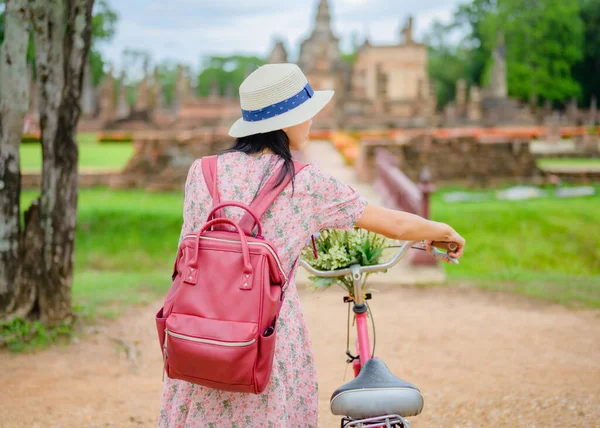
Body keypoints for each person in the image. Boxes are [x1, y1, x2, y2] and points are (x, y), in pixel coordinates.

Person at [158, 63, 465, 427]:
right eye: (306, 114)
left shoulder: (202, 171)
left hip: (201, 332)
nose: (312, 121)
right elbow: (394, 225)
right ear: (286, 122)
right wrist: (441, 229)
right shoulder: (305, 183)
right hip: (263, 337)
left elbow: (189, 250)